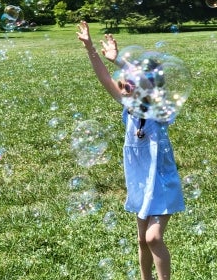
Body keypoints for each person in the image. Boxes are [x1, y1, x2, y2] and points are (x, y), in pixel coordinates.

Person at [76, 21, 185, 280]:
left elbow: (145, 86)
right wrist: (90, 47)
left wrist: (120, 61)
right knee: (141, 240)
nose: (123, 83)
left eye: (129, 80)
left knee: (153, 237)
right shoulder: (128, 108)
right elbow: (103, 77)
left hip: (161, 182)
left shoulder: (159, 111)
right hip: (139, 182)